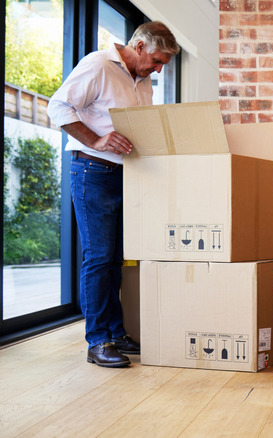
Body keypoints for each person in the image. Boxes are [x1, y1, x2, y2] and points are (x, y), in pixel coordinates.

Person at [47, 21, 179, 368]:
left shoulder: (143, 80)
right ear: (138, 47)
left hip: (127, 176)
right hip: (93, 172)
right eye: (156, 60)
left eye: (163, 64)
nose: (159, 69)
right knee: (99, 257)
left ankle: (116, 333)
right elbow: (57, 107)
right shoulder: (97, 66)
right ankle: (98, 341)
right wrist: (96, 140)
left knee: (118, 257)